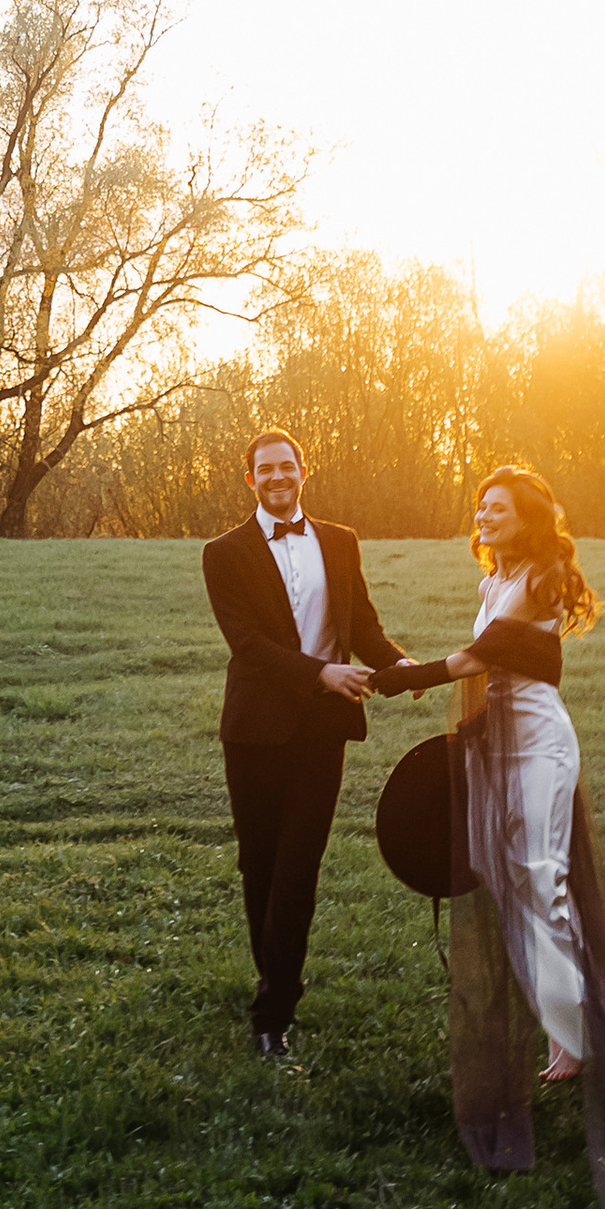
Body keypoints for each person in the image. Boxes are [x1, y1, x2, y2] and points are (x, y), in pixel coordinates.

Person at [380, 461, 605, 1209]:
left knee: (540, 877)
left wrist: (397, 679)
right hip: (499, 742)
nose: (483, 517)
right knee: (501, 874)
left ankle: (593, 1024)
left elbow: (473, 659)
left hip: (539, 748)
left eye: (497, 508)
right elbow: (482, 661)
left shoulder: (535, 577)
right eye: (479, 507)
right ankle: (567, 1027)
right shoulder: (499, 578)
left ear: (525, 516)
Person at [200, 428, 407, 1061]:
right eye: (265, 469)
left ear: (303, 471)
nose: (277, 477)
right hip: (254, 732)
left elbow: (363, 627)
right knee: (259, 866)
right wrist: (321, 671)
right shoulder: (223, 553)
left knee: (297, 869)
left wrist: (411, 670)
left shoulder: (341, 543)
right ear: (250, 480)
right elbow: (249, 647)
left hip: (323, 730)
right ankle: (276, 978)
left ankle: (273, 1012)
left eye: (287, 466)